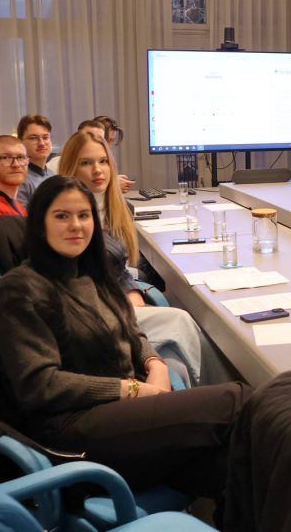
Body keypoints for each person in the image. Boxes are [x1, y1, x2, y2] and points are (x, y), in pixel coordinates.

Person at [0, 175, 249, 502]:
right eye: (62, 216)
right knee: (239, 401)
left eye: (83, 215)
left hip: (117, 418)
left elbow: (130, 329)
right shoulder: (19, 291)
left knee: (237, 463)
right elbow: (40, 385)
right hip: (69, 430)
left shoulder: (90, 274)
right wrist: (132, 389)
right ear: (38, 225)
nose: (75, 225)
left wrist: (155, 363)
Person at [58, 131, 201, 386]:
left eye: (103, 161)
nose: (97, 170)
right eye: (86, 163)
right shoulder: (68, 217)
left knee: (179, 353)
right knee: (182, 322)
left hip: (117, 305)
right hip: (92, 316)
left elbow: (117, 267)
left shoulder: (117, 207)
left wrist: (131, 290)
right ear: (71, 168)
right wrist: (122, 300)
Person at [49, 119, 133, 193]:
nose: (94, 142)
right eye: (85, 163)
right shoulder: (56, 165)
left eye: (102, 161)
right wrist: (112, 186)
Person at [15, 114, 55, 210]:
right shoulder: (19, 178)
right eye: (33, 138)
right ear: (20, 142)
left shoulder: (51, 175)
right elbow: (21, 217)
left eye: (45, 137)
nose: (41, 143)